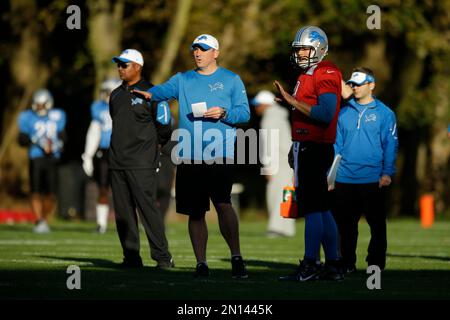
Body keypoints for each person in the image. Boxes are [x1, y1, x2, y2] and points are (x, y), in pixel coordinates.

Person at [133, 34, 250, 278]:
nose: (198, 53)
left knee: (223, 203)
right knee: (195, 211)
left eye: (203, 49)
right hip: (189, 155)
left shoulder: (231, 79)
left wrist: (224, 113)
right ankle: (201, 263)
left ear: (215, 53)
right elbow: (162, 91)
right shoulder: (183, 79)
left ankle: (237, 257)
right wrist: (147, 93)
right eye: (195, 49)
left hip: (220, 153)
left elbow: (244, 113)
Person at [274, 26, 344, 281]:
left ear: (319, 48)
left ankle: (311, 263)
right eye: (299, 49)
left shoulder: (326, 71)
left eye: (305, 48)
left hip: (315, 146)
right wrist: (296, 145)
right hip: (306, 145)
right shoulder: (308, 74)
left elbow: (325, 113)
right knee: (322, 208)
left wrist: (292, 102)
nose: (301, 53)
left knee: (313, 208)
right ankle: (334, 264)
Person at [109, 49, 174, 269]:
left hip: (141, 163)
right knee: (123, 213)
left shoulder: (154, 93)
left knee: (148, 210)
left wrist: (152, 149)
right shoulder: (115, 95)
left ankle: (163, 257)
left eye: (124, 64)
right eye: (118, 64)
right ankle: (131, 257)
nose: (120, 68)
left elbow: (165, 127)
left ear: (138, 66)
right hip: (117, 162)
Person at [333, 67, 398, 273]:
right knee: (345, 227)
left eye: (359, 84)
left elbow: (390, 144)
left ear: (371, 85)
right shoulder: (343, 113)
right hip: (345, 178)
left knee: (377, 227)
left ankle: (375, 266)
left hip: (373, 179)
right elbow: (336, 147)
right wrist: (331, 176)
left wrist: (387, 172)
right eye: (352, 84)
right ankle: (346, 264)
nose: (354, 87)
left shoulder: (385, 113)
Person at [18, 89, 67, 233]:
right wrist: (37, 141)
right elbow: (21, 139)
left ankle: (44, 219)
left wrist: (57, 145)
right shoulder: (27, 117)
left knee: (51, 194)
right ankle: (38, 220)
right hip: (36, 156)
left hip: (53, 157)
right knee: (35, 190)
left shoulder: (58, 115)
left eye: (42, 105)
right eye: (37, 105)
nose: (39, 108)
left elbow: (64, 137)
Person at [252, 90, 296, 238]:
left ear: (265, 104)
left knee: (275, 195)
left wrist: (268, 166)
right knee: (286, 194)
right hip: (287, 160)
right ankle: (287, 228)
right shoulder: (280, 116)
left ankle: (276, 228)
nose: (256, 108)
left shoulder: (269, 118)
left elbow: (269, 144)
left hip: (278, 161)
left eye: (258, 105)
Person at [82, 78, 121, 234]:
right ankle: (101, 224)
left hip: (123, 151)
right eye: (106, 92)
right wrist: (87, 155)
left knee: (127, 190)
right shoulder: (98, 108)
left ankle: (128, 224)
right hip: (105, 151)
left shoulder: (127, 106)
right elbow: (94, 132)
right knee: (103, 187)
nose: (107, 95)